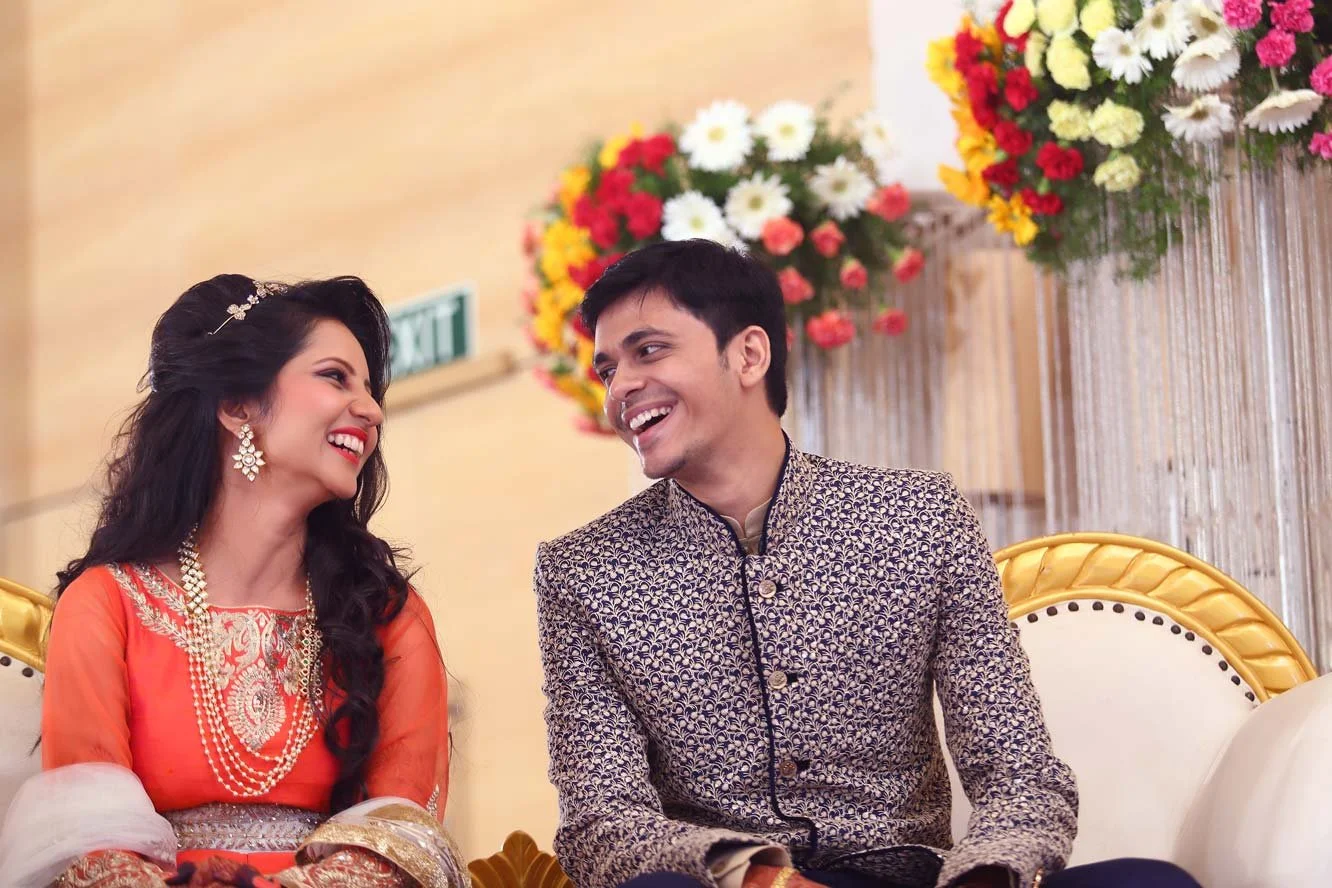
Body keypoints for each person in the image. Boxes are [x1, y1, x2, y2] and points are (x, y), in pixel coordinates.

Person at [532, 240, 1201, 888]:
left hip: (914, 877)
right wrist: (761, 876)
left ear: (749, 354)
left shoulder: (920, 515)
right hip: (731, 887)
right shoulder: (583, 572)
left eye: (648, 350)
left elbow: (1018, 773)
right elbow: (602, 825)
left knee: (1154, 883)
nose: (622, 386)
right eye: (609, 369)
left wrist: (985, 879)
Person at [0, 276, 465, 888]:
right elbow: (90, 852)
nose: (373, 410)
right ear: (237, 405)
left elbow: (401, 843)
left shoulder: (387, 616)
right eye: (335, 377)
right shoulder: (109, 604)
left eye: (370, 389)